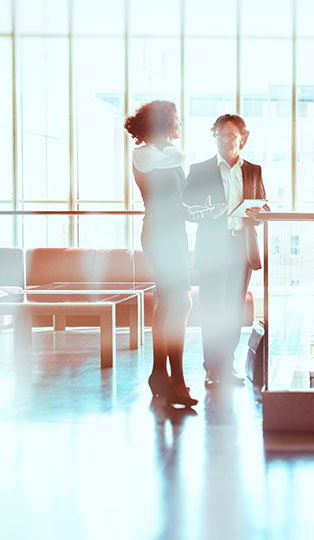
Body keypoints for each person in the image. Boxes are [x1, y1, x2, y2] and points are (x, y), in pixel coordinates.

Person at [183, 114, 268, 388]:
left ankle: (227, 366)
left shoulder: (253, 170)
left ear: (242, 138)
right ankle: (212, 369)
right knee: (212, 310)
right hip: (212, 248)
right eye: (220, 135)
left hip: (240, 248)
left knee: (232, 310)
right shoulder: (200, 170)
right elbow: (185, 208)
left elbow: (264, 207)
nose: (225, 140)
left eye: (231, 136)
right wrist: (204, 212)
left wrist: (259, 212)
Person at [125, 100, 197, 407]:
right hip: (160, 235)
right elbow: (177, 156)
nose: (180, 126)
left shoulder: (163, 157)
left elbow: (172, 199)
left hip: (174, 234)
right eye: (176, 120)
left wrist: (193, 210)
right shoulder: (145, 154)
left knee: (170, 302)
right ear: (164, 124)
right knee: (180, 303)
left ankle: (160, 374)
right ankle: (175, 378)